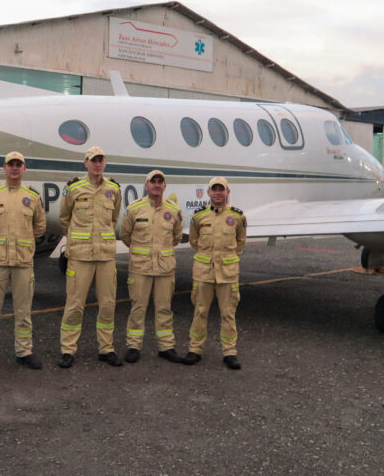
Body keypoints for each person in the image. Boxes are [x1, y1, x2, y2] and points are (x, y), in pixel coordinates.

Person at [0, 151, 47, 370]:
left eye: (18, 165)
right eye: (11, 164)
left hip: (23, 261)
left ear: (24, 169)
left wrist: (23, 240)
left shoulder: (32, 197)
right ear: (4, 168)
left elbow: (40, 226)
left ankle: (24, 351)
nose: (14, 168)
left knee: (23, 310)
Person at [57, 146, 123, 368]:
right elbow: (64, 218)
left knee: (107, 304)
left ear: (105, 163)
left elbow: (113, 218)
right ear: (85, 163)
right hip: (81, 256)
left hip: (105, 256)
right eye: (93, 160)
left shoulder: (113, 188)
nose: (97, 164)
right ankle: (68, 350)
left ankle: (106, 349)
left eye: (100, 160)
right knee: (74, 305)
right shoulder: (74, 188)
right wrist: (78, 241)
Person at [119, 169, 184, 364]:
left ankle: (166, 347)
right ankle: (134, 346)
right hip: (140, 267)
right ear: (146, 186)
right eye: (153, 181)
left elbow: (177, 237)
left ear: (164, 186)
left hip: (165, 268)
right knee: (138, 308)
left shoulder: (173, 211)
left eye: (160, 181)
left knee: (164, 308)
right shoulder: (134, 209)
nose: (156, 184)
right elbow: (125, 235)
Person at [183, 176, 247, 370]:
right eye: (214, 189)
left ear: (228, 192)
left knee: (228, 313)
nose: (218, 193)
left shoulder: (237, 217)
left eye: (222, 189)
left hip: (227, 273)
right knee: (200, 311)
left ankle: (229, 352)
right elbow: (194, 241)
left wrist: (226, 259)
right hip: (204, 272)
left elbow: (240, 243)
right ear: (209, 192)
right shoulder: (199, 216)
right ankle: (195, 349)